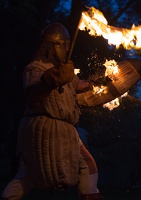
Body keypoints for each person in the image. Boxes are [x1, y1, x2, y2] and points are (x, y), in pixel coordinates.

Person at [1, 22, 101, 200]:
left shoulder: (65, 71)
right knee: (88, 166)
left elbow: (80, 85)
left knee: (26, 176)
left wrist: (100, 82)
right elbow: (34, 97)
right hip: (47, 128)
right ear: (54, 45)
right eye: (64, 44)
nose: (67, 48)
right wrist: (52, 79)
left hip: (52, 129)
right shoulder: (36, 68)